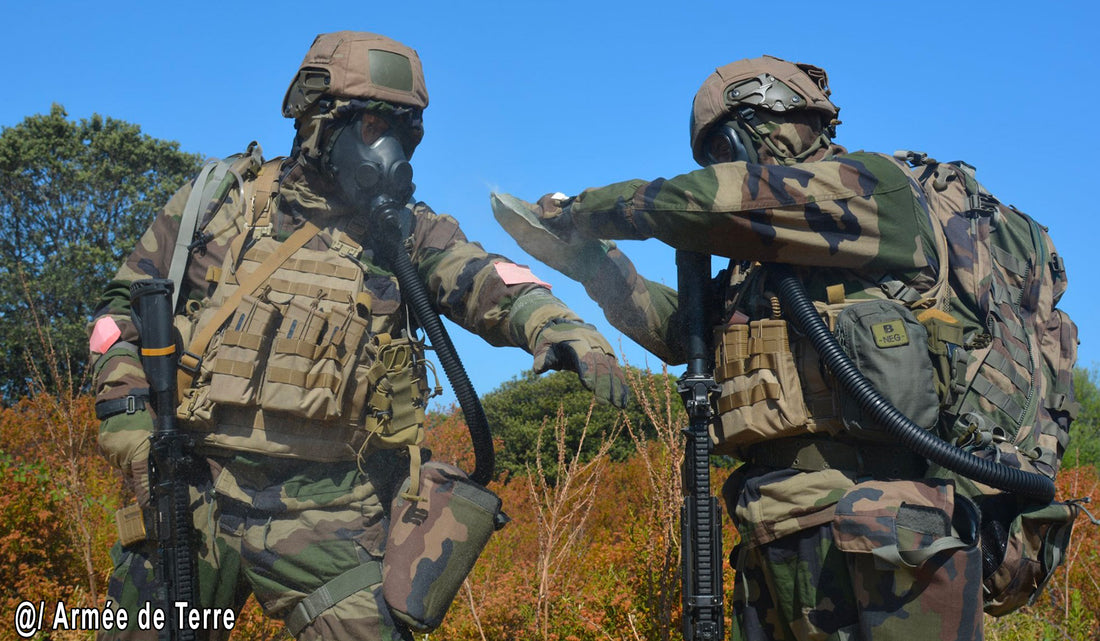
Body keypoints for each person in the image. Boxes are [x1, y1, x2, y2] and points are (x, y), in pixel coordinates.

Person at [495, 55, 1076, 640]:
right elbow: (682, 333)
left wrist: (582, 211)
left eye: (723, 150)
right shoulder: (771, 258)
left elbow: (713, 201)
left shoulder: (875, 192)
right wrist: (589, 263)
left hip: (880, 530)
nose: (723, 168)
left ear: (766, 121)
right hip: (778, 527)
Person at [89, 31, 627, 641]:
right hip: (193, 491)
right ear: (319, 121)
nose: (391, 151)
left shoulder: (408, 233)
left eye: (405, 132)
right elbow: (119, 318)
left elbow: (481, 278)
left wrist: (556, 326)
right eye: (374, 126)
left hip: (333, 511)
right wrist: (136, 439)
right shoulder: (221, 204)